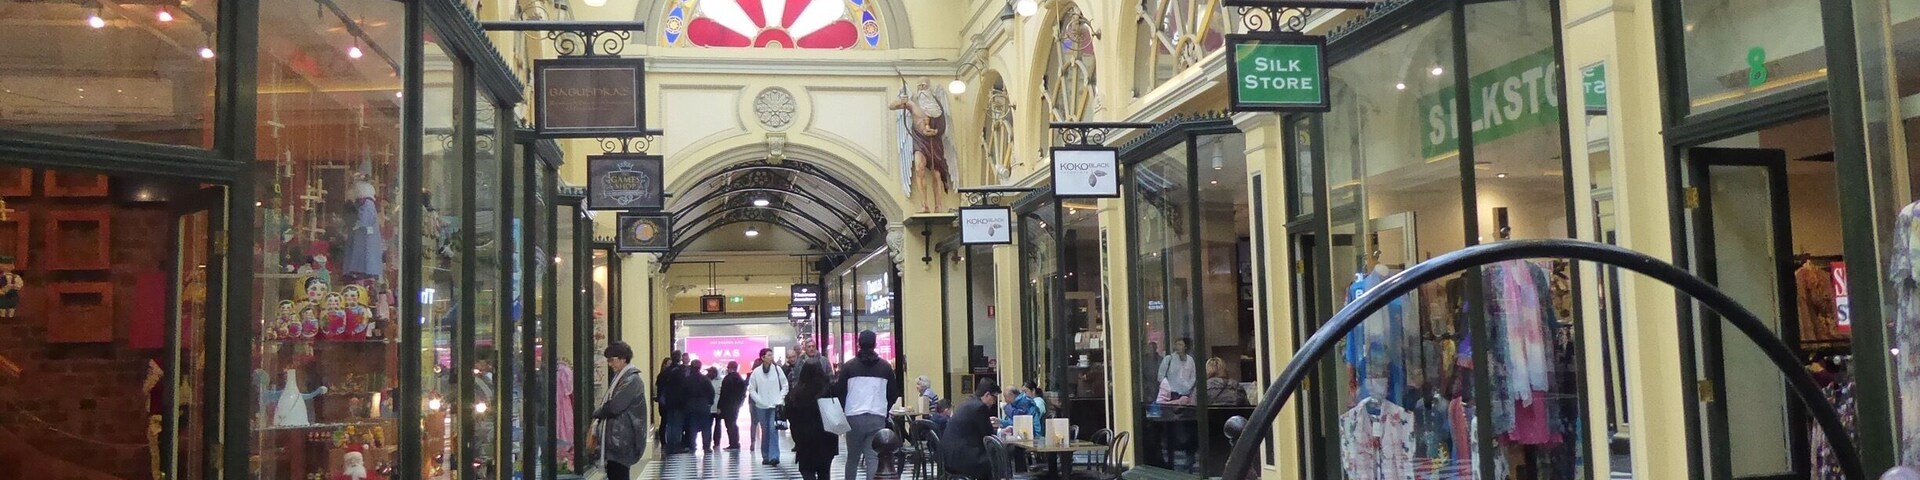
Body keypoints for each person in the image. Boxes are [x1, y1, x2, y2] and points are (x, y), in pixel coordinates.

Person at [836, 330, 899, 480]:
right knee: (873, 458)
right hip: (876, 417)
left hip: (853, 417)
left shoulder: (849, 367)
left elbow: (840, 392)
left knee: (852, 458)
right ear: (875, 344)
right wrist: (884, 407)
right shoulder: (885, 367)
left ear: (859, 344)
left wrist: (846, 409)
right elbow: (893, 393)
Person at [592, 342, 648, 480]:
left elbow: (615, 406)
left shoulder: (631, 380)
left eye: (612, 360)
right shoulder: (623, 378)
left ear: (623, 358)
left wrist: (598, 413)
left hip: (622, 440)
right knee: (615, 473)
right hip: (618, 439)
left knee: (619, 474)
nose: (610, 364)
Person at [786, 361, 840, 480]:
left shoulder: (796, 394)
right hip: (827, 438)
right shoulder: (829, 390)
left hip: (805, 440)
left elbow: (789, 415)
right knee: (825, 472)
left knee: (807, 471)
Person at [938, 379, 998, 479]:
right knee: (999, 457)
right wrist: (1001, 432)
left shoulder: (968, 402)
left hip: (950, 457)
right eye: (994, 398)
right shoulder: (980, 407)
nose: (994, 402)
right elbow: (988, 436)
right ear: (987, 395)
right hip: (964, 460)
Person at [747, 348, 790, 465]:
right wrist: (758, 400)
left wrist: (780, 399)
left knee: (772, 429)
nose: (771, 357)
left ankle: (774, 456)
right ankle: (765, 455)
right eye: (769, 355)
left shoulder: (777, 370)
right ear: (763, 358)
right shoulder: (756, 372)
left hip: (775, 405)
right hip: (761, 406)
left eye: (772, 355)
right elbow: (751, 388)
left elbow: (785, 385)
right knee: (765, 430)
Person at [678, 359, 715, 454]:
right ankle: (706, 447)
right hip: (704, 405)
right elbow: (711, 392)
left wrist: (685, 404)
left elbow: (682, 393)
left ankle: (692, 445)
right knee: (706, 427)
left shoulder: (687, 380)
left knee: (692, 427)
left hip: (691, 406)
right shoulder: (705, 379)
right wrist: (709, 403)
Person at [715, 361, 747, 452]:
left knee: (729, 424)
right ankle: (735, 442)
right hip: (735, 405)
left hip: (727, 405)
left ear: (730, 368)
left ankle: (733, 443)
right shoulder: (739, 378)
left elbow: (723, 394)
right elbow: (743, 392)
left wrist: (719, 406)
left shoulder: (727, 379)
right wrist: (740, 402)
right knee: (733, 423)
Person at [654, 353, 683, 449]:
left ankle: (667, 442)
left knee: (667, 422)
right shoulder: (679, 371)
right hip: (676, 401)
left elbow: (657, 387)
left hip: (665, 401)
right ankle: (675, 443)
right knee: (675, 422)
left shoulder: (662, 374)